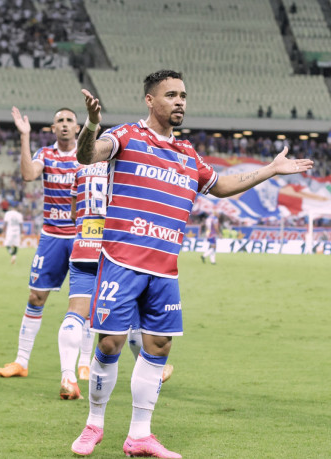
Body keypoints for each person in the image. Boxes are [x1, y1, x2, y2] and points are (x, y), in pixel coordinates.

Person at [71, 70, 313, 458]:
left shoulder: (188, 155)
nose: (180, 101)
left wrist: (269, 171)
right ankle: (94, 424)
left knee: (159, 345)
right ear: (150, 100)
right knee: (112, 342)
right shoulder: (125, 136)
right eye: (171, 94)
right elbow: (86, 156)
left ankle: (139, 436)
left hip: (165, 267)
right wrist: (92, 124)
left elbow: (222, 187)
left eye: (183, 95)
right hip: (122, 260)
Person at [58, 160, 174, 401]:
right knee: (131, 317)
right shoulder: (127, 166)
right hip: (116, 252)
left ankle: (68, 377)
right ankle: (153, 370)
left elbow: (72, 213)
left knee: (75, 313)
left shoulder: (80, 170)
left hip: (82, 248)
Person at [0, 106, 80, 378]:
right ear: (53, 129)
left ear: (77, 127)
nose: (64, 125)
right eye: (59, 121)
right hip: (53, 236)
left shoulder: (87, 155)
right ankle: (21, 362)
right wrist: (24, 136)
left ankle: (85, 364)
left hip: (80, 237)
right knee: (35, 296)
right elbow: (29, 174)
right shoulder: (46, 154)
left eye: (69, 120)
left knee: (83, 302)